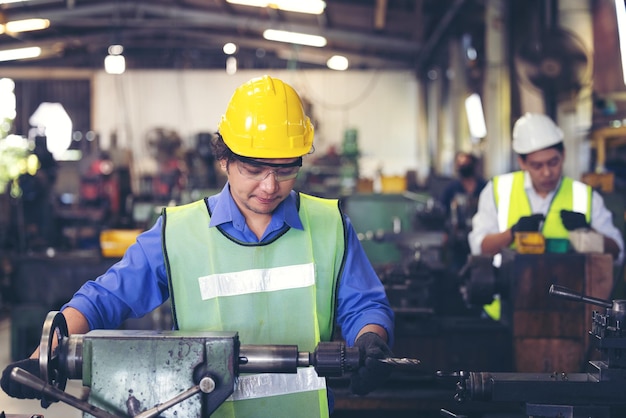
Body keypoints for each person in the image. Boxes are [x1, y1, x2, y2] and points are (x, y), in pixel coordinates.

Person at [1, 75, 395, 418]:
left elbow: (364, 306)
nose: (270, 185)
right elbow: (105, 297)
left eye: (284, 169)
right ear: (224, 159)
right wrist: (45, 354)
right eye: (254, 169)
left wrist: (371, 340)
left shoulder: (329, 225)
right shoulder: (177, 233)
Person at [469, 112, 624, 263]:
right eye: (537, 166)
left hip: (568, 287)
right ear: (522, 163)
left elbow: (618, 252)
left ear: (563, 155)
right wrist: (512, 233)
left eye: (553, 162)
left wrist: (588, 232)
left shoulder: (585, 197)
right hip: (511, 287)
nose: (547, 172)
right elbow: (480, 248)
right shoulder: (498, 190)